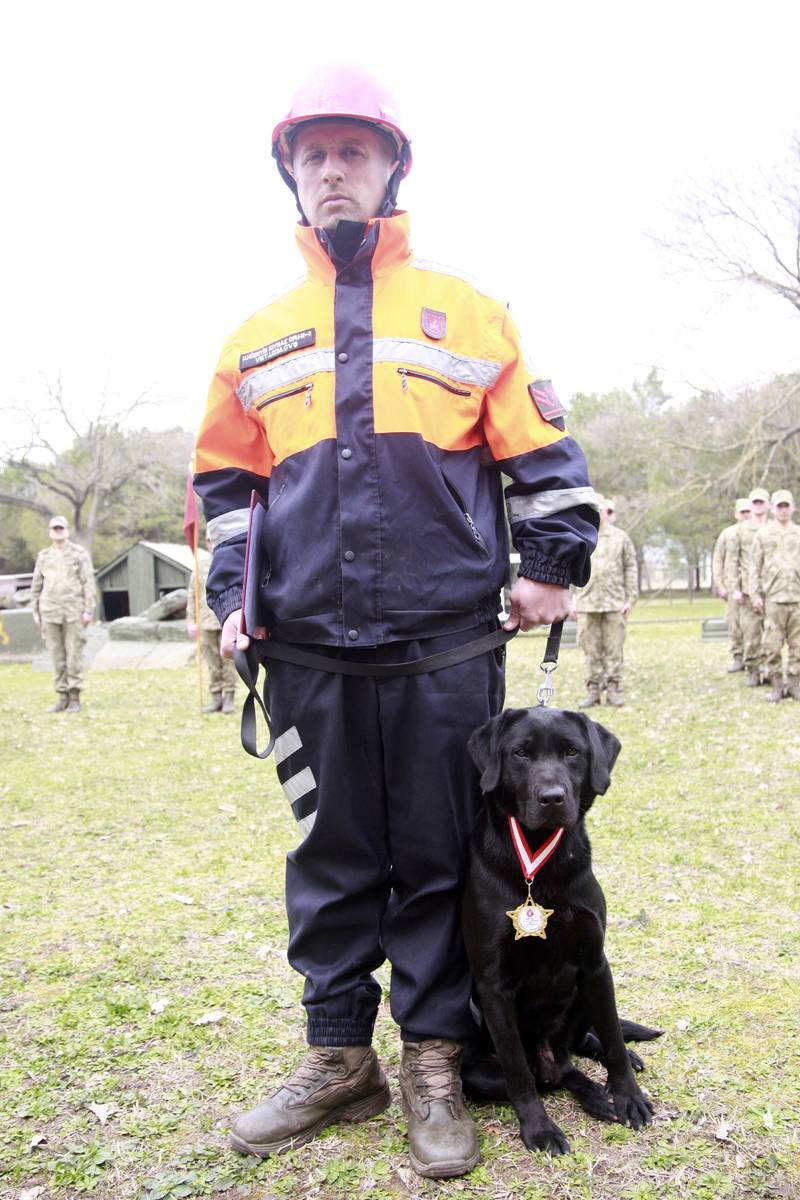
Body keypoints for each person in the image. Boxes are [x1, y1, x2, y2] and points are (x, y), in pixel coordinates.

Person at [193, 66, 598, 1179]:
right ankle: (337, 1055)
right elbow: (227, 492)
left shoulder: (469, 312)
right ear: (290, 172)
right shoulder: (255, 338)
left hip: (443, 645)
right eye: (313, 154)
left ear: (391, 169)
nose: (333, 170)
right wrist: (236, 600)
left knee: (434, 853)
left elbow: (543, 460)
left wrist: (551, 565)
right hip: (306, 650)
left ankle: (428, 1053)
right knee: (331, 851)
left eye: (353, 152)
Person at [572, 497, 637, 707]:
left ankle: (613, 688)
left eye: (599, 510)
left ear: (605, 513)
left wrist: (630, 598)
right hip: (586, 602)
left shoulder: (620, 537)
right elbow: (570, 568)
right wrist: (569, 600)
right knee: (590, 649)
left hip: (614, 602)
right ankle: (593, 690)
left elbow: (630, 567)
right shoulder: (579, 535)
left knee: (614, 648)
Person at [30, 515, 95, 712]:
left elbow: (88, 582)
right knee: (56, 654)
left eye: (61, 529)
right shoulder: (44, 556)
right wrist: (36, 611)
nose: (58, 532)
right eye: (55, 529)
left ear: (66, 531)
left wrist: (89, 610)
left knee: (74, 653)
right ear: (50, 532)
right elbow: (36, 585)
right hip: (50, 611)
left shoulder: (78, 553)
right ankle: (62, 695)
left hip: (73, 610)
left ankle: (75, 696)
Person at [749, 489, 800, 702]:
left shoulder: (798, 534)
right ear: (772, 508)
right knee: (772, 644)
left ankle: (795, 682)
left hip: (797, 597)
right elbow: (754, 567)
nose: (783, 510)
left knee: (798, 645)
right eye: (779, 506)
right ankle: (777, 684)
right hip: (773, 598)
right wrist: (755, 595)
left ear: (793, 508)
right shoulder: (763, 535)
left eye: (786, 506)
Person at [725, 486, 771, 687]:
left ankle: (770, 670)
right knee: (751, 634)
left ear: (768, 505)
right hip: (748, 590)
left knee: (772, 634)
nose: (758, 506)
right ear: (750, 506)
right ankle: (753, 669)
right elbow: (731, 561)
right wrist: (734, 588)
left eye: (762, 502)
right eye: (755, 503)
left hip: (772, 589)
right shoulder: (739, 531)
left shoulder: (774, 528)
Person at [187, 539, 237, 713]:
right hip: (206, 621)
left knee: (229, 661)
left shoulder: (229, 561)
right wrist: (191, 621)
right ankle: (216, 697)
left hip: (225, 619)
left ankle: (229, 698)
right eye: (208, 541)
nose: (211, 543)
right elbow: (192, 594)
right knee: (212, 661)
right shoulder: (199, 566)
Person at [712, 497, 751, 672]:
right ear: (736, 514)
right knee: (735, 624)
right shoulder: (728, 534)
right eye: (743, 512)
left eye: (748, 511)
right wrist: (720, 585)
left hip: (754, 587)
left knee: (754, 625)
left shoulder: (759, 531)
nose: (746, 515)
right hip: (733, 586)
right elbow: (718, 560)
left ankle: (755, 659)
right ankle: (738, 656)